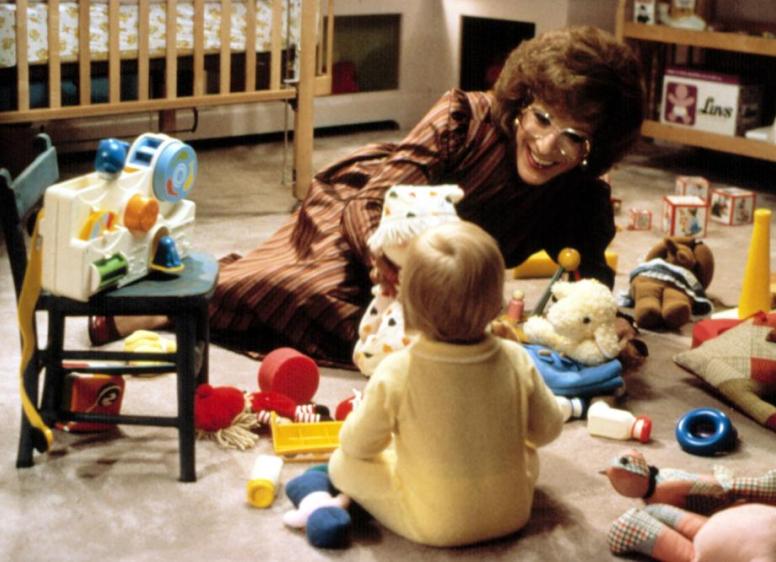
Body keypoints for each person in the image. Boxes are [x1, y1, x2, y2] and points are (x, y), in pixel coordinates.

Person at [90, 25, 644, 364]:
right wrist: (395, 269)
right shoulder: (463, 116)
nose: (547, 146)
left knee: (419, 345)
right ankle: (160, 309)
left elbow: (591, 278)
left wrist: (615, 326)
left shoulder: (579, 195)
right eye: (541, 119)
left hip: (439, 278)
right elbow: (371, 204)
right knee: (304, 290)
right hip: (363, 219)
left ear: (595, 146)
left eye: (573, 137)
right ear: (522, 102)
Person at [328, 220, 565, 546]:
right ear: (495, 301)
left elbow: (358, 445)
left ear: (407, 304)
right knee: (525, 451)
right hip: (513, 513)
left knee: (342, 463)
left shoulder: (396, 370)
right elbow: (547, 430)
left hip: (436, 525)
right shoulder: (516, 357)